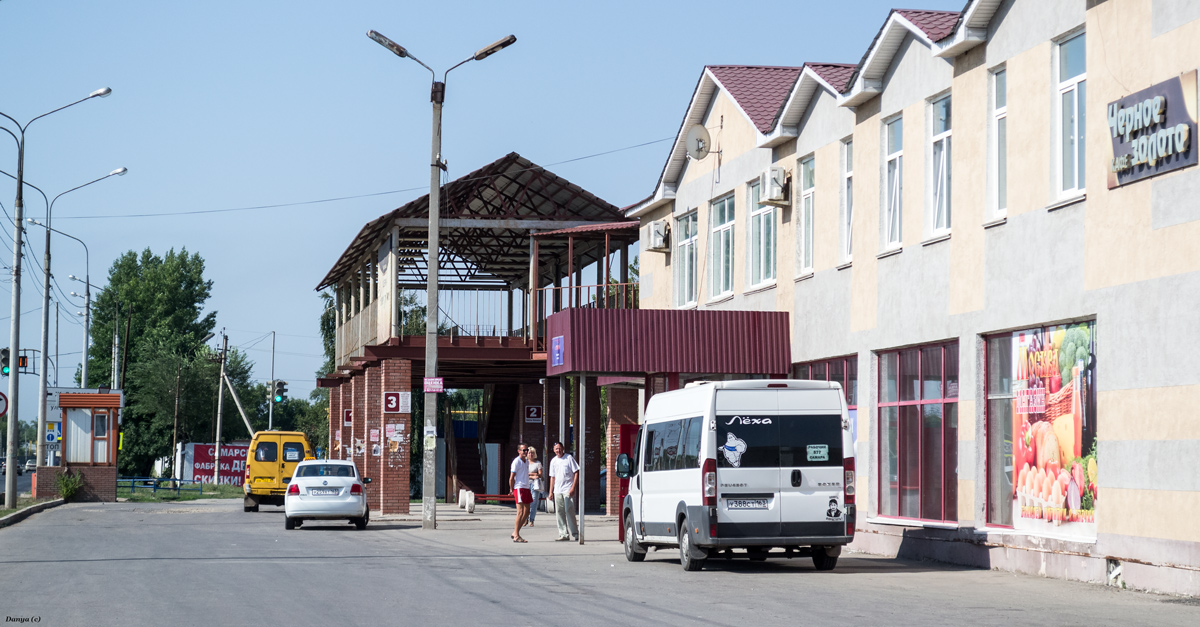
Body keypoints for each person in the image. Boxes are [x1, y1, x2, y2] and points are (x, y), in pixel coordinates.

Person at [547, 441, 580, 541]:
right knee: (559, 512)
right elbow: (552, 477)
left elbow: (576, 472)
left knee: (569, 510)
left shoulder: (569, 458)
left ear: (563, 448)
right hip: (557, 490)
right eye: (556, 449)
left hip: (567, 489)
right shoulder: (553, 461)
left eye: (560, 448)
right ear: (553, 450)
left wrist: (573, 487)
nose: (558, 450)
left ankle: (575, 533)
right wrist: (550, 492)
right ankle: (563, 534)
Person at [509, 443, 531, 543]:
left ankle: (515, 532)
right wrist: (511, 489)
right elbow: (511, 478)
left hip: (526, 487)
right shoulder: (516, 462)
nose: (526, 452)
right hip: (519, 488)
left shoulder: (526, 462)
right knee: (520, 512)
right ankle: (517, 536)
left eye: (527, 450)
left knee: (527, 512)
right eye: (524, 450)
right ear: (519, 451)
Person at [526, 447, 544, 527]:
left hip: (535, 484)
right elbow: (523, 474)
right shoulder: (525, 463)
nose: (531, 454)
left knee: (534, 502)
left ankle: (532, 520)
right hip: (526, 484)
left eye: (532, 453)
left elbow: (540, 474)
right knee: (526, 502)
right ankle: (525, 519)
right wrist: (533, 475)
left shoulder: (538, 463)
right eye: (529, 453)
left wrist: (530, 475)